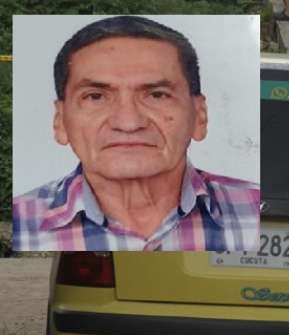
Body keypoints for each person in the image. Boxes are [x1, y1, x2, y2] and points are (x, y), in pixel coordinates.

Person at [12, 16, 260, 251]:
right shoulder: (22, 222)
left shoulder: (255, 209)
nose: (128, 123)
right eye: (96, 97)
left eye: (157, 95)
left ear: (200, 115)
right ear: (60, 121)